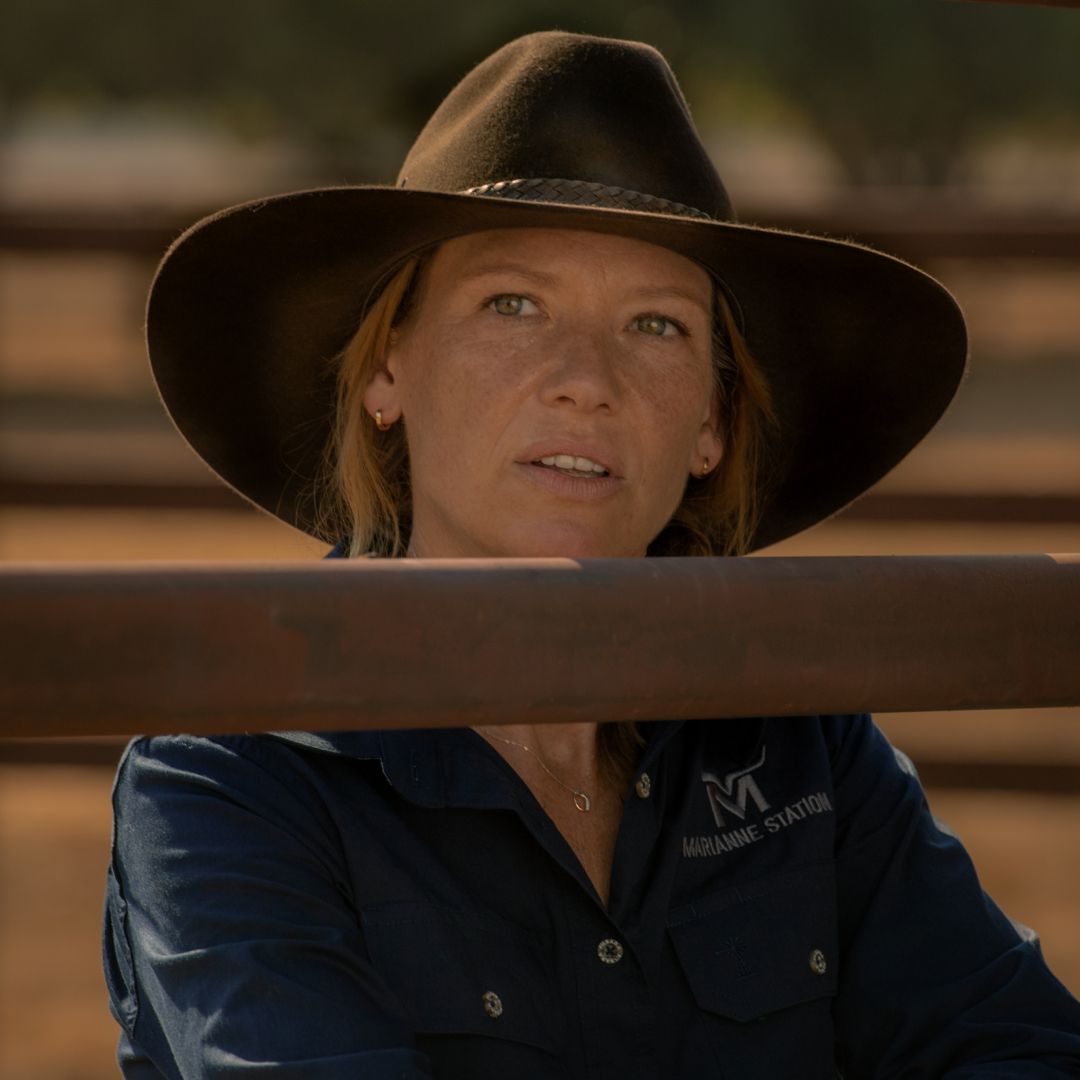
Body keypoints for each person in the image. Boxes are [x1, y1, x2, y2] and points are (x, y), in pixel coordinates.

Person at [103, 30, 1080, 1079]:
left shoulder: (800, 736)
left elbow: (1011, 1045)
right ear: (388, 371)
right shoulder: (235, 775)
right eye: (512, 305)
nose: (586, 379)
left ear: (711, 421)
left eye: (656, 326)